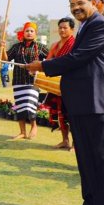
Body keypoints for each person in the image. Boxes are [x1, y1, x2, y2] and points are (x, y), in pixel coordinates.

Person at [26, 0, 104, 205]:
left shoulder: (100, 25)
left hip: (99, 103)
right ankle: (91, 204)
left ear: (93, 3)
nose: (75, 8)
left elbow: (77, 58)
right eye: (72, 5)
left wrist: (44, 65)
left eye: (80, 3)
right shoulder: (86, 26)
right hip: (82, 102)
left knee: (103, 159)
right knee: (86, 158)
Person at [1, 22, 49, 140]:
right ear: (23, 33)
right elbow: (5, 60)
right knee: (21, 106)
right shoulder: (16, 47)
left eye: (32, 31)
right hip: (18, 80)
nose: (29, 33)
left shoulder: (41, 47)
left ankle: (34, 125)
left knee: (29, 104)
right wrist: (2, 48)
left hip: (33, 81)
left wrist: (40, 68)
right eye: (27, 31)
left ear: (35, 34)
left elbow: (50, 60)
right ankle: (22, 132)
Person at [45, 18, 76, 150]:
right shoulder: (55, 46)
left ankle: (76, 144)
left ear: (72, 29)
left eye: (65, 27)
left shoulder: (76, 44)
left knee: (74, 115)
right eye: (60, 27)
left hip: (72, 85)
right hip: (56, 85)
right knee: (61, 114)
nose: (62, 30)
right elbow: (48, 62)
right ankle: (65, 140)